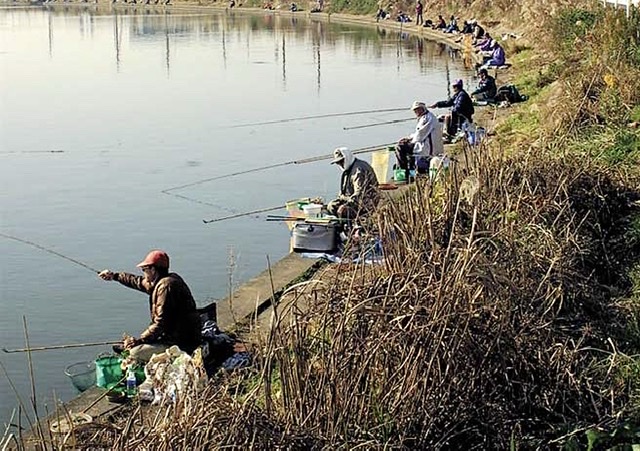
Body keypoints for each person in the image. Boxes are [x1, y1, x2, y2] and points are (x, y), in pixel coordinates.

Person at [98, 250, 202, 363]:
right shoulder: (163, 281)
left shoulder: (166, 288)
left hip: (181, 342)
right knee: (137, 346)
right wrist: (114, 276)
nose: (143, 273)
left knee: (134, 353)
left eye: (144, 270)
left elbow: (161, 323)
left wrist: (139, 340)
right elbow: (137, 281)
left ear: (153, 270)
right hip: (173, 335)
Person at [326, 147, 380, 220]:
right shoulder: (349, 168)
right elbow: (343, 192)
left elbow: (360, 194)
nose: (340, 164)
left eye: (341, 161)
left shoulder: (358, 170)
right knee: (331, 206)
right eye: (338, 163)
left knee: (342, 211)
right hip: (352, 201)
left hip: (365, 204)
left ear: (347, 157)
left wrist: (345, 205)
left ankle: (350, 226)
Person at [396, 101, 444, 175]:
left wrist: (409, 140)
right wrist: (409, 138)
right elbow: (419, 133)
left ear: (422, 109)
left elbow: (420, 136)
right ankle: (409, 171)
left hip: (427, 148)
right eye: (415, 110)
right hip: (425, 143)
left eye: (417, 109)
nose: (416, 112)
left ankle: (403, 172)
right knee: (404, 145)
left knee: (399, 147)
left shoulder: (427, 118)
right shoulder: (428, 116)